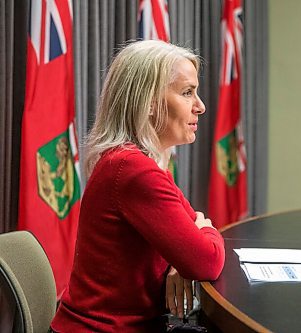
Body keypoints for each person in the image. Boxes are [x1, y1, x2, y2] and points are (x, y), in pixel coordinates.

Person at [50, 40, 225, 332]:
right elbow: (206, 260)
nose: (201, 106)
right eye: (187, 93)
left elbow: (192, 244)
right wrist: (199, 236)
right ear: (149, 102)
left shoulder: (135, 161)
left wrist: (180, 258)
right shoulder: (133, 170)